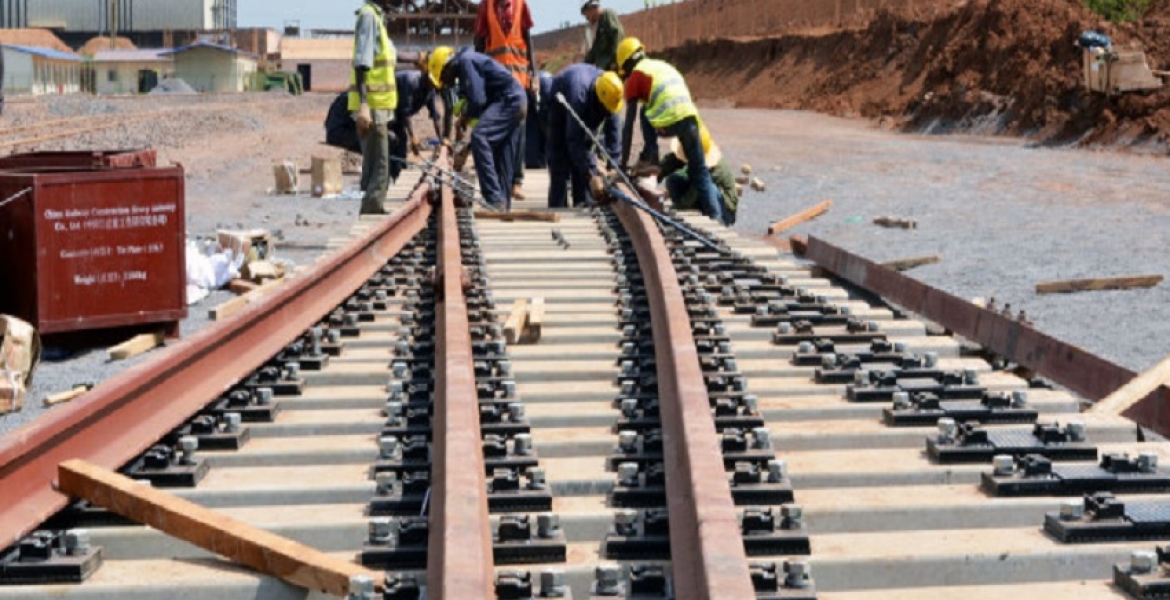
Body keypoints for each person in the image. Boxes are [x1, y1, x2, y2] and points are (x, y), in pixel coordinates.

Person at [616, 37, 723, 224]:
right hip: (690, 119)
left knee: (645, 111)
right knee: (700, 170)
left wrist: (622, 166)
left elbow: (628, 125)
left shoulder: (636, 76)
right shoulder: (662, 66)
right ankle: (716, 219)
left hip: (669, 120)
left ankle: (651, 157)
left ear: (627, 63)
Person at [429, 46, 527, 210]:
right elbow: (480, 98)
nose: (447, 83)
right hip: (517, 100)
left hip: (508, 101)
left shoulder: (466, 62)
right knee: (503, 152)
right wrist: (464, 120)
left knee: (480, 137)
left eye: (444, 78)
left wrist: (467, 136)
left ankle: (493, 200)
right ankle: (502, 205)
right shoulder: (470, 60)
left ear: (448, 66)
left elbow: (478, 100)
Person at [474, 0, 537, 202]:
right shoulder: (486, 6)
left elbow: (528, 40)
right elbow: (479, 42)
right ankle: (501, 184)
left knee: (519, 133)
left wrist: (533, 75)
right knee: (500, 135)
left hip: (519, 79)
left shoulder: (521, 5)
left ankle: (516, 182)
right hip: (497, 82)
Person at [546, 65, 623, 209]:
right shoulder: (579, 97)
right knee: (560, 157)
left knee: (586, 151)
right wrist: (591, 174)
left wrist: (613, 166)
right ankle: (558, 205)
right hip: (560, 103)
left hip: (586, 99)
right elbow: (574, 140)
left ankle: (582, 201)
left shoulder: (611, 93)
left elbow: (614, 133)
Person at [349, 0, 398, 215]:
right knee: (379, 165)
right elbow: (362, 63)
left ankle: (372, 209)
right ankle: (371, 211)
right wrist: (364, 105)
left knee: (376, 164)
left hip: (379, 107)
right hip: (373, 107)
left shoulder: (376, 17)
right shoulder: (369, 17)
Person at [659, 126, 737, 225]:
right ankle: (692, 211)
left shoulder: (713, 168)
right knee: (674, 179)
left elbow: (693, 191)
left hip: (724, 210)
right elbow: (672, 167)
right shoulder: (692, 157)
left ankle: (717, 221)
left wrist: (674, 209)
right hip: (703, 198)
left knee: (709, 188)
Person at [390, 69, 444, 182]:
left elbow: (435, 115)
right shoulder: (411, 82)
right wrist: (413, 137)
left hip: (398, 112)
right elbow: (405, 113)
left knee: (400, 141)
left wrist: (441, 139)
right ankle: (396, 174)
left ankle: (398, 171)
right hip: (389, 108)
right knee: (397, 139)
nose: (432, 87)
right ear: (425, 76)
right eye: (431, 84)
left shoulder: (430, 90)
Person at [581, 1, 625, 72]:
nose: (587, 19)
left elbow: (617, 34)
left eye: (587, 16)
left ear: (591, 9)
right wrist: (582, 65)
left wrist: (615, 61)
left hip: (612, 68)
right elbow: (595, 50)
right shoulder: (600, 26)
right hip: (603, 70)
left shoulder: (607, 14)